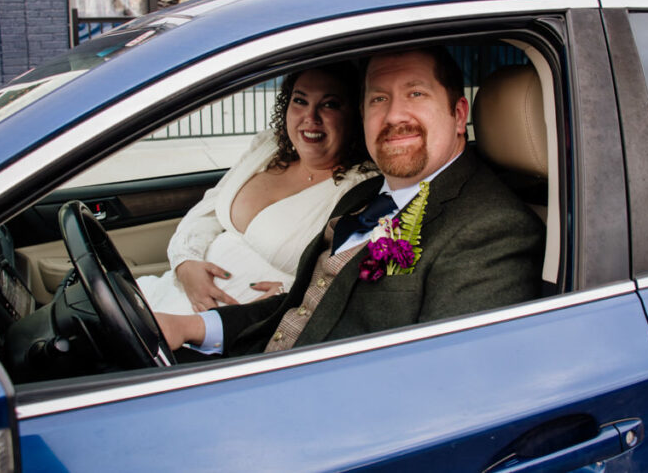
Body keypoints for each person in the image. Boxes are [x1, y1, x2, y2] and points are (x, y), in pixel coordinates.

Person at [156, 47, 544, 356]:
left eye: (416, 93)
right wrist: (191, 328)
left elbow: (442, 386)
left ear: (458, 115)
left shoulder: (493, 230)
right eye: (378, 99)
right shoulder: (364, 196)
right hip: (249, 360)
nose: (394, 115)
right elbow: (300, 307)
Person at [137, 63, 375, 315]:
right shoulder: (267, 147)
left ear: (356, 115)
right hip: (168, 297)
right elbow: (206, 212)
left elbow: (345, 282)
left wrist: (289, 292)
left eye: (330, 104)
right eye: (300, 101)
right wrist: (185, 263)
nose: (310, 117)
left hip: (240, 336)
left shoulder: (361, 187)